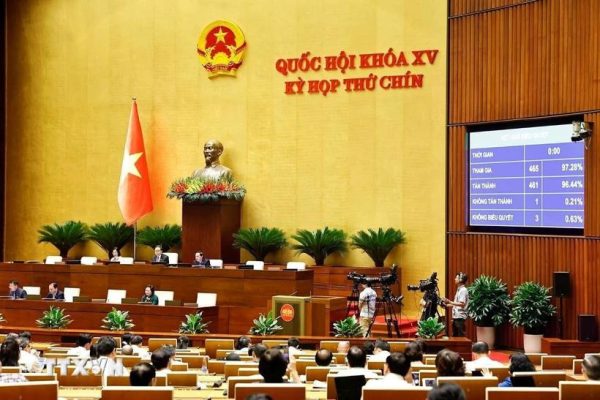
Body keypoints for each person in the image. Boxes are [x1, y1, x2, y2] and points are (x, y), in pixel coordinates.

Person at [442, 272, 469, 337]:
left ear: (461, 279)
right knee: (455, 336)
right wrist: (446, 305)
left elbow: (462, 304)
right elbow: (456, 304)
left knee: (460, 337)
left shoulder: (463, 290)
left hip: (460, 317)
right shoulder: (459, 289)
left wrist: (449, 301)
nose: (455, 279)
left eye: (456, 278)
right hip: (456, 317)